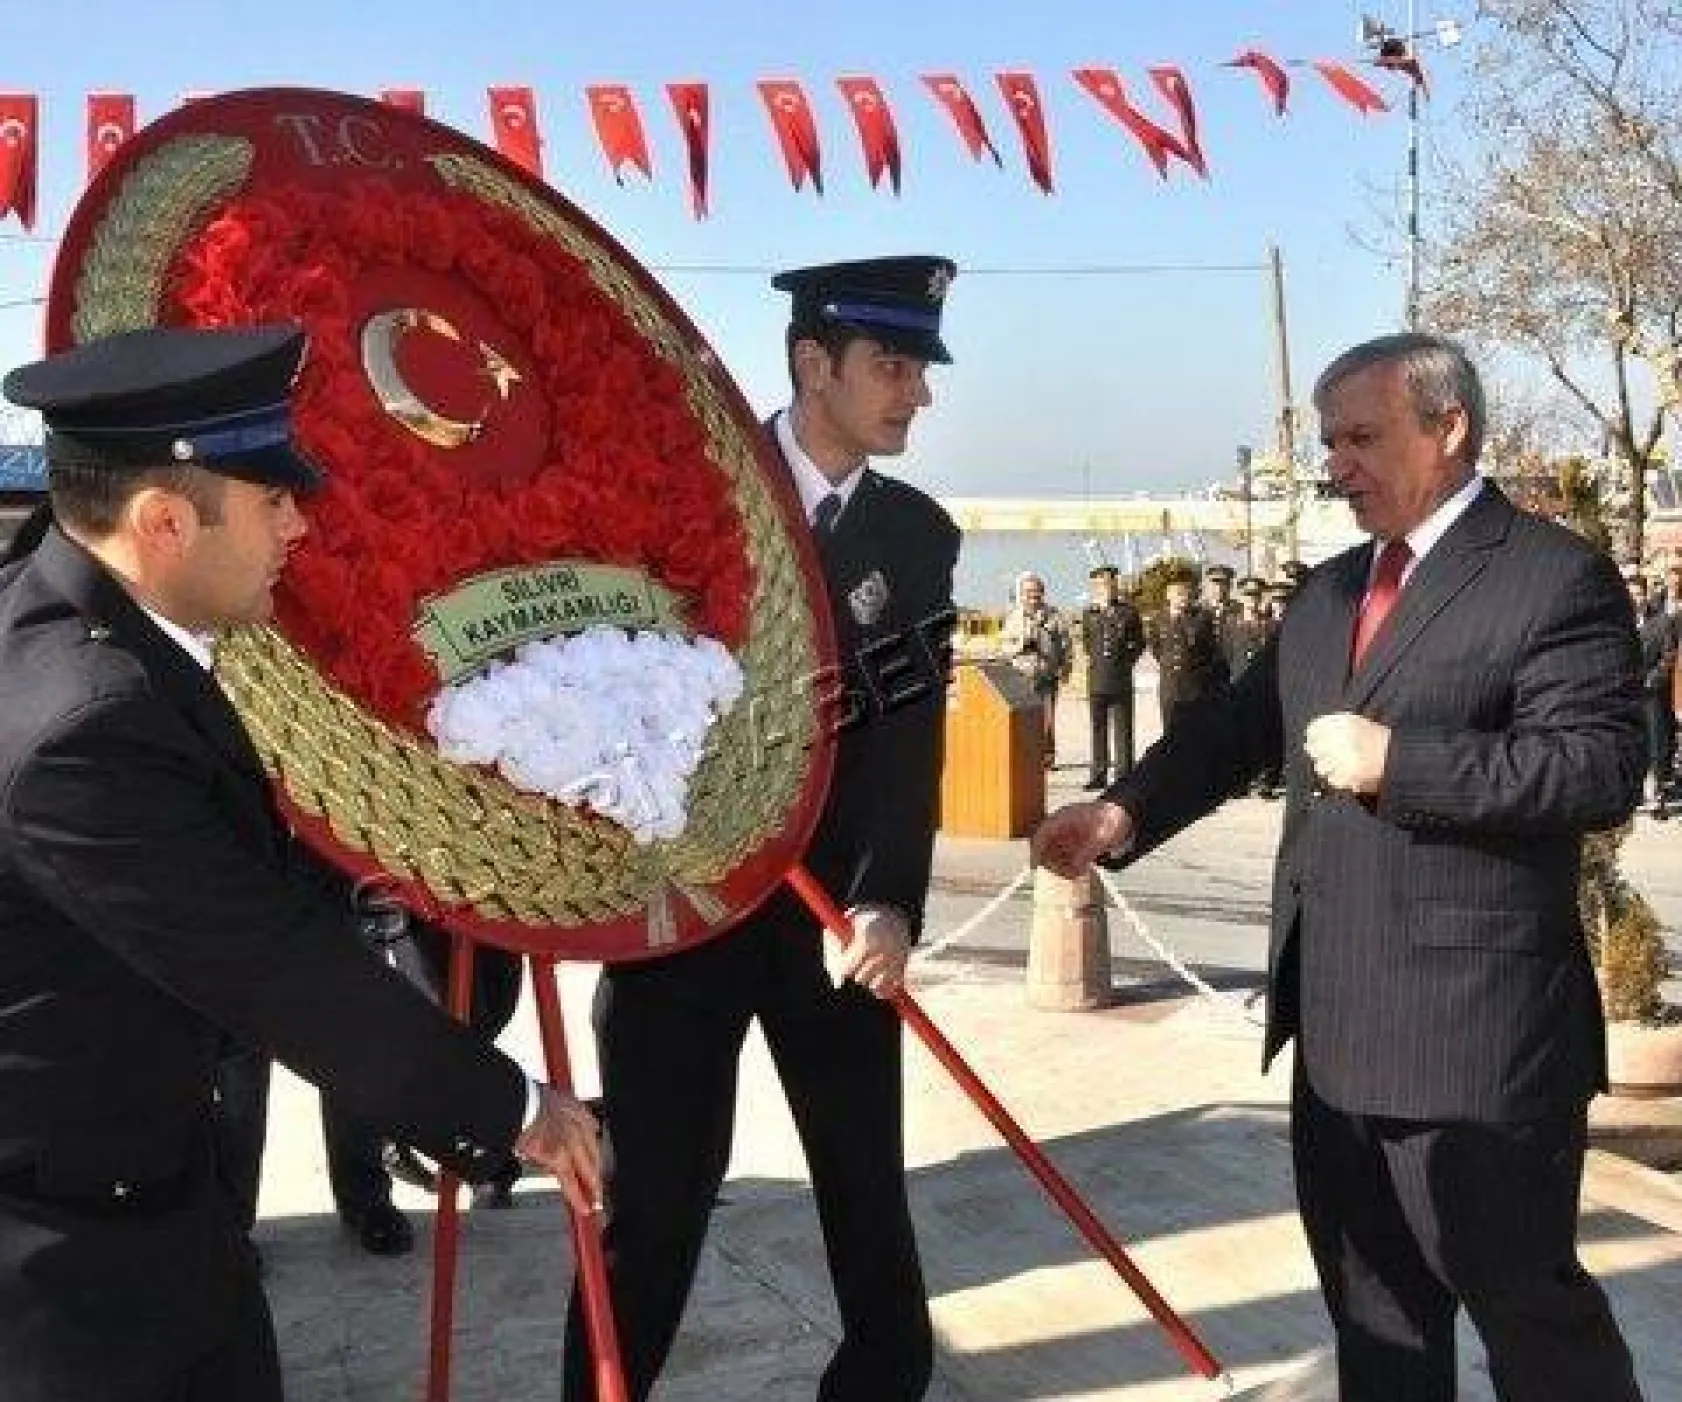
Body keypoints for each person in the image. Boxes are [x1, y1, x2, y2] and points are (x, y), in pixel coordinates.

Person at [1034, 332, 1646, 1402]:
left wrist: (1401, 764)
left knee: (1536, 1332)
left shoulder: (1552, 578)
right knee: (1377, 1335)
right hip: (1335, 1045)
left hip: (1478, 1049)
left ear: (1446, 428)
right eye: (1328, 441)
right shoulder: (1325, 593)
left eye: (1361, 436)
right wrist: (1121, 812)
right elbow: (1233, 730)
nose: (1336, 462)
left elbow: (1596, 768)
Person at [0, 324, 602, 1402]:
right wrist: (520, 1109)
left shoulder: (69, 626)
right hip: (70, 1272)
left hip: (147, 1198)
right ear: (165, 520)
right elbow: (279, 972)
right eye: (271, 499)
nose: (299, 522)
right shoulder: (82, 725)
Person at [563, 256, 960, 1402]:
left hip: (831, 923)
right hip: (682, 915)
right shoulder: (689, 496)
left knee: (866, 1199)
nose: (914, 394)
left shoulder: (915, 534)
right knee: (656, 1206)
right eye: (891, 366)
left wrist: (889, 898)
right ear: (810, 363)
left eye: (919, 370)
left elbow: (906, 727)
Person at [1079, 564, 1146, 790]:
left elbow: (1140, 642)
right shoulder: (1089, 613)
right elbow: (1087, 643)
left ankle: (1124, 773)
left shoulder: (1128, 612)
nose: (1107, 588)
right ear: (1095, 587)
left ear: (1116, 585)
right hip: (1097, 678)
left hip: (1120, 678)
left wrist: (1126, 661)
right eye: (1102, 584)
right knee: (1098, 728)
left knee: (1123, 729)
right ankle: (1098, 773)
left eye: (1110, 583)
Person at [999, 569, 1070, 767]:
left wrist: (1065, 668)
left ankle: (1047, 757)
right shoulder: (1013, 617)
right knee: (1024, 720)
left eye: (1037, 591)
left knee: (1047, 719)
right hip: (1022, 676)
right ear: (1021, 594)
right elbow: (1003, 646)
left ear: (1043, 592)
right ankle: (1025, 757)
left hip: (1047, 675)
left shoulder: (1053, 615)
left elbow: (1065, 644)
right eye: (1029, 592)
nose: (1033, 596)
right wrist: (1020, 644)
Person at [1146, 567, 1227, 730]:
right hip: (1169, 687)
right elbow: (1155, 647)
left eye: (1187, 593)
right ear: (1168, 595)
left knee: (1196, 733)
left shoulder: (1202, 617)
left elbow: (1210, 649)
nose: (1184, 598)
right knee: (1169, 733)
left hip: (1194, 687)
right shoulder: (1158, 619)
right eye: (1179, 593)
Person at [1629, 572, 1676, 819]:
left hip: (1651, 694)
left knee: (1656, 744)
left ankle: (1656, 797)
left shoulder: (1662, 622)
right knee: (1632, 743)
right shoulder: (1620, 623)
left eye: (1638, 593)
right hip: (1626, 695)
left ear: (1645, 594)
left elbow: (1668, 657)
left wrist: (1652, 680)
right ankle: (1634, 795)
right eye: (1631, 594)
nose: (1635, 598)